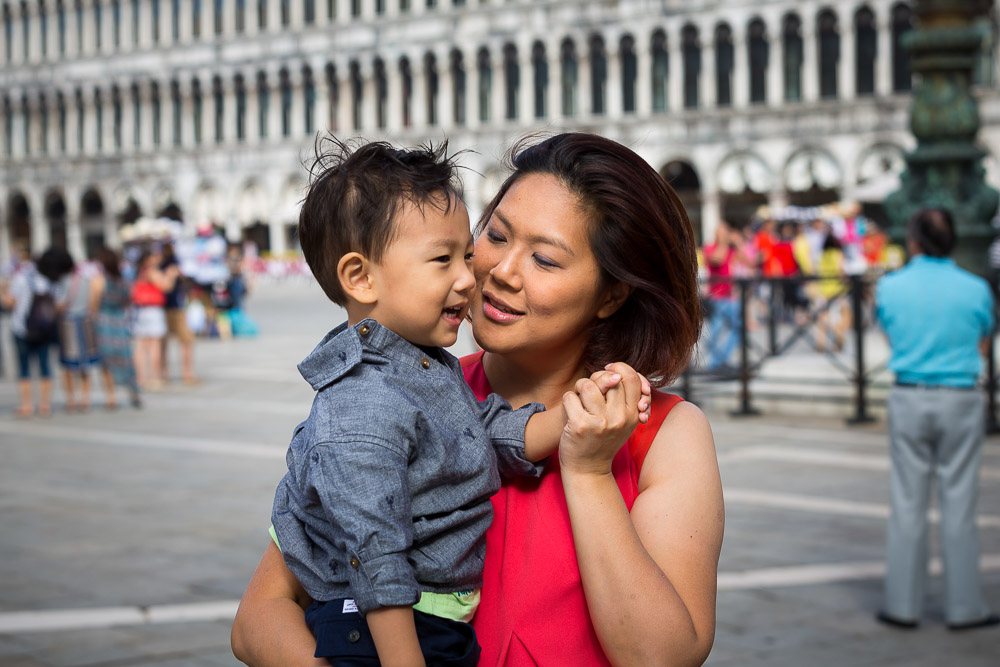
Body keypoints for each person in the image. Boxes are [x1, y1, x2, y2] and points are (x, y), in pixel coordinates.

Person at [232, 132, 724, 666]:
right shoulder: (394, 396)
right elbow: (260, 615)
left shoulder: (662, 433)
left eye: (544, 259)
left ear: (611, 293)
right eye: (495, 235)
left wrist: (589, 472)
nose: (499, 273)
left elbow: (663, 656)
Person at [875, 207, 999, 631]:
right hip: (960, 396)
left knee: (907, 502)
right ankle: (965, 608)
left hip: (908, 394)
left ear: (914, 240)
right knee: (959, 504)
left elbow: (888, 332)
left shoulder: (890, 286)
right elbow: (984, 341)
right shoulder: (976, 287)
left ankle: (901, 606)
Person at [0, 248, 68, 417]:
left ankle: (27, 405)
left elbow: (11, 303)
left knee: (24, 367)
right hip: (45, 329)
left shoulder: (22, 278)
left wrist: (2, 291)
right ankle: (45, 405)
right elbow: (60, 305)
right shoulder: (52, 281)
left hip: (22, 328)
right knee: (45, 365)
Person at [93, 247, 142, 409]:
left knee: (106, 362)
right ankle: (133, 391)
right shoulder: (123, 281)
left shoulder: (99, 280)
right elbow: (129, 301)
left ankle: (111, 396)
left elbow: (93, 304)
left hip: (104, 323)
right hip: (120, 322)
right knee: (126, 359)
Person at [54, 252, 102, 412]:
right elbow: (93, 302)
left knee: (68, 363)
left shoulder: (62, 282)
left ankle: (71, 399)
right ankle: (86, 399)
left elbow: (60, 304)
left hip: (68, 323)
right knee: (85, 363)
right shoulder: (86, 280)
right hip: (85, 322)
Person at [702, 220, 746, 373]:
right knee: (716, 331)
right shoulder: (709, 248)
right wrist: (724, 242)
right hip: (718, 297)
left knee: (739, 329)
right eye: (722, 232)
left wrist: (739, 242)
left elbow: (748, 260)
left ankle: (722, 360)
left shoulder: (731, 249)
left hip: (731, 296)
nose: (725, 234)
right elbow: (717, 259)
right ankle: (714, 364)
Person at [131, 248, 175, 390]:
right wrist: (170, 275)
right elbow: (166, 287)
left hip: (140, 310)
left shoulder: (139, 272)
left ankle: (140, 377)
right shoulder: (152, 271)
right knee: (154, 345)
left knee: (141, 345)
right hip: (153, 310)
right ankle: (154, 377)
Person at [160, 242, 198, 385]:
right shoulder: (169, 266)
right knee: (180, 341)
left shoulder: (165, 264)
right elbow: (168, 287)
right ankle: (182, 373)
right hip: (171, 308)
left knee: (176, 342)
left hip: (171, 308)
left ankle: (173, 373)